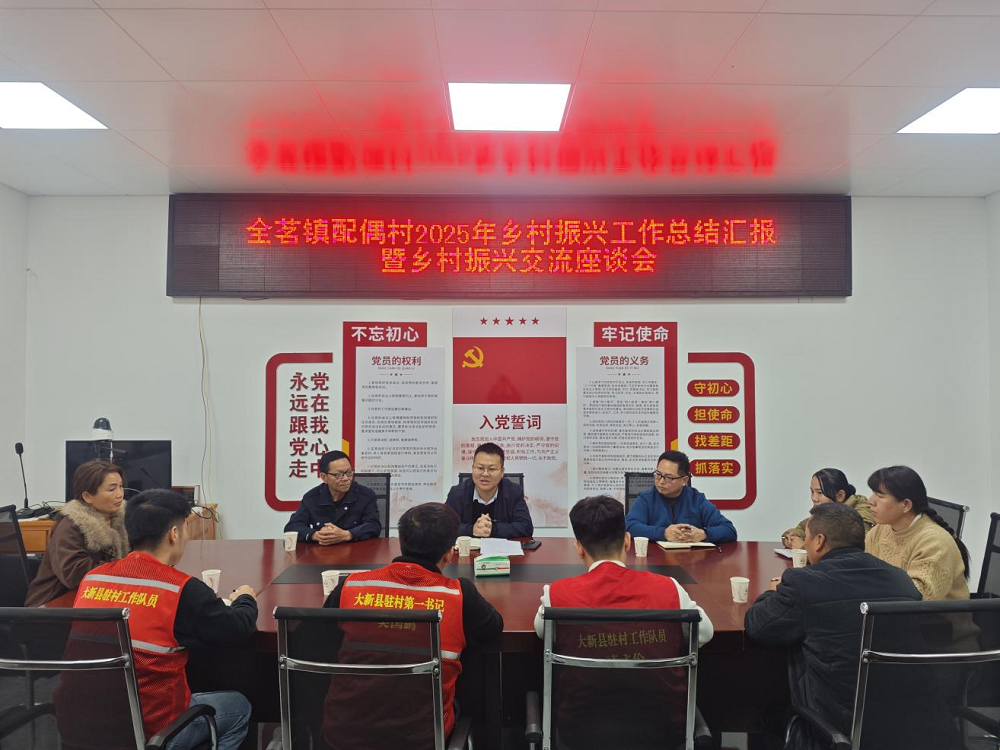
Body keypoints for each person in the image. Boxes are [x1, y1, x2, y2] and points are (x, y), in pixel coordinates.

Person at [745, 503, 961, 750]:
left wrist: (771, 593)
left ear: (819, 541)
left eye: (807, 538)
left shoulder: (802, 583)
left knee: (763, 711)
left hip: (841, 728)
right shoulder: (900, 579)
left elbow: (758, 627)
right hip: (918, 727)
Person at [61, 490, 258, 750]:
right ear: (174, 534)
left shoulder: (93, 578)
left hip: (79, 726)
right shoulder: (180, 589)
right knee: (238, 707)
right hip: (154, 733)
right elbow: (237, 630)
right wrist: (246, 599)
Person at [533, 495, 714, 749]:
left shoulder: (556, 595)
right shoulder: (670, 588)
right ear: (627, 541)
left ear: (579, 548)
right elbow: (705, 631)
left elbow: (542, 631)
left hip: (581, 733)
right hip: (663, 731)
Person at [319, 502, 503, 749]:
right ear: (449, 553)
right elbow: (493, 629)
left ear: (400, 541)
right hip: (422, 739)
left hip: (341, 736)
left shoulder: (351, 586)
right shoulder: (459, 595)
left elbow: (323, 640)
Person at [865, 465, 977, 651]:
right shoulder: (879, 532)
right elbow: (864, 573)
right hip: (897, 632)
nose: (870, 501)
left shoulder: (935, 542)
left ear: (906, 505)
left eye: (880, 495)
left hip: (940, 643)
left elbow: (918, 600)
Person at [26, 459, 130, 607]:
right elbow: (74, 574)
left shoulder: (119, 519)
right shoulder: (71, 526)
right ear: (87, 497)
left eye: (121, 486)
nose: (120, 494)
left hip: (96, 597)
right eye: (111, 489)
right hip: (53, 606)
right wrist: (123, 568)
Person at [625, 450, 736, 544]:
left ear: (684, 480)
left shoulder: (696, 499)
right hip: (655, 559)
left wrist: (704, 534)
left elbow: (729, 530)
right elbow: (630, 526)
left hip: (691, 559)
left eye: (668, 478)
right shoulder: (646, 499)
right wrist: (663, 533)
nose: (661, 481)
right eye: (658, 475)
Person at [284, 450, 381, 544]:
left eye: (349, 472)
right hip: (322, 552)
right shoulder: (312, 497)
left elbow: (374, 525)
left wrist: (347, 535)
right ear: (324, 477)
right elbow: (292, 527)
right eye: (338, 475)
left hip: (356, 552)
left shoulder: (365, 495)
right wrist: (315, 535)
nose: (346, 479)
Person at [445, 442, 533, 538]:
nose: (485, 474)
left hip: (502, 547)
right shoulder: (457, 493)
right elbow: (445, 527)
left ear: (502, 472)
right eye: (480, 468)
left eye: (492, 469)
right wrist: (471, 529)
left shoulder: (513, 492)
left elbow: (526, 527)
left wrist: (492, 529)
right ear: (473, 468)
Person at [781, 468, 874, 549]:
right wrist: (790, 539)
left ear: (840, 496)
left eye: (819, 492)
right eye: (812, 491)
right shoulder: (828, 512)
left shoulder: (859, 515)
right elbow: (800, 529)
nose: (814, 498)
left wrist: (803, 549)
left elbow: (853, 550)